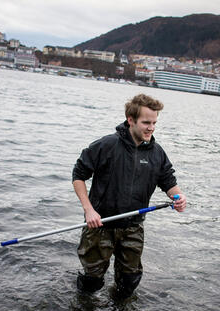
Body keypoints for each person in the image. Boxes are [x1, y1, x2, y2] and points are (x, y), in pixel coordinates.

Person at [72, 93, 187, 299]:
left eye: (154, 122)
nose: (151, 127)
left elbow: (168, 181)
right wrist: (89, 210)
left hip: (133, 226)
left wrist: (178, 197)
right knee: (92, 282)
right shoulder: (107, 145)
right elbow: (78, 175)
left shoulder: (157, 153)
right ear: (130, 120)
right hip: (100, 225)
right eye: (146, 122)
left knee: (129, 283)